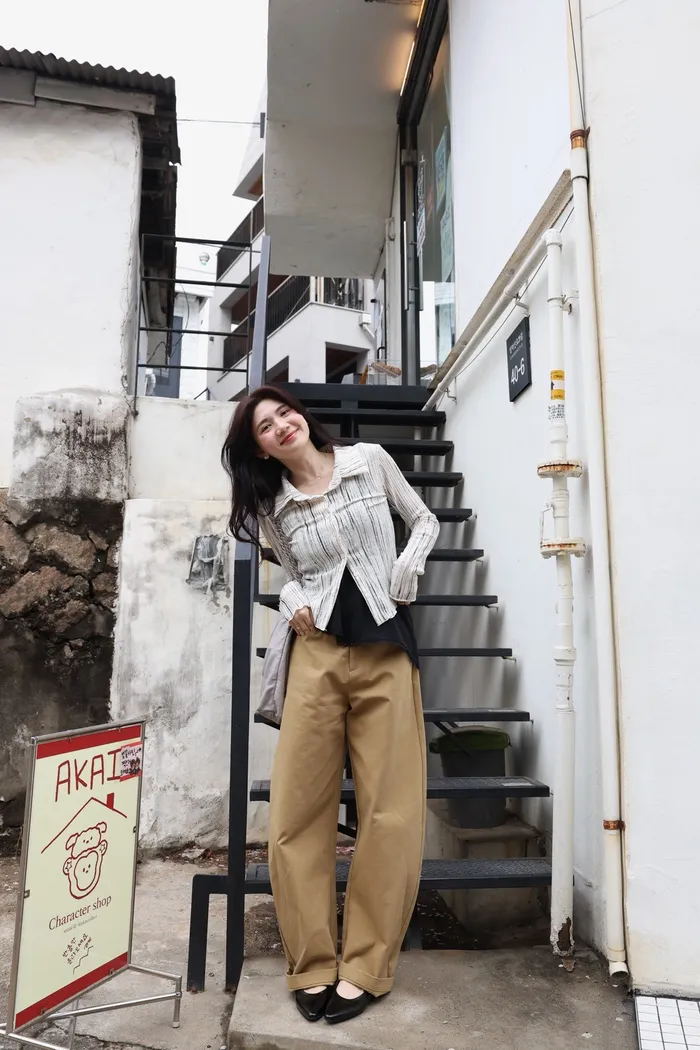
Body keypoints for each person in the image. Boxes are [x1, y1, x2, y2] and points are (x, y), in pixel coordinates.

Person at [222, 385, 438, 1025]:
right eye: (265, 427)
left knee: (391, 813)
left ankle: (366, 966)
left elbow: (424, 519)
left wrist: (410, 561)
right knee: (296, 811)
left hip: (385, 648)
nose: (280, 425)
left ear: (301, 416)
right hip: (315, 655)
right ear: (261, 450)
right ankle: (312, 962)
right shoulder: (276, 509)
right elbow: (291, 576)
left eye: (283, 412)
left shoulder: (369, 461)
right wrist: (291, 602)